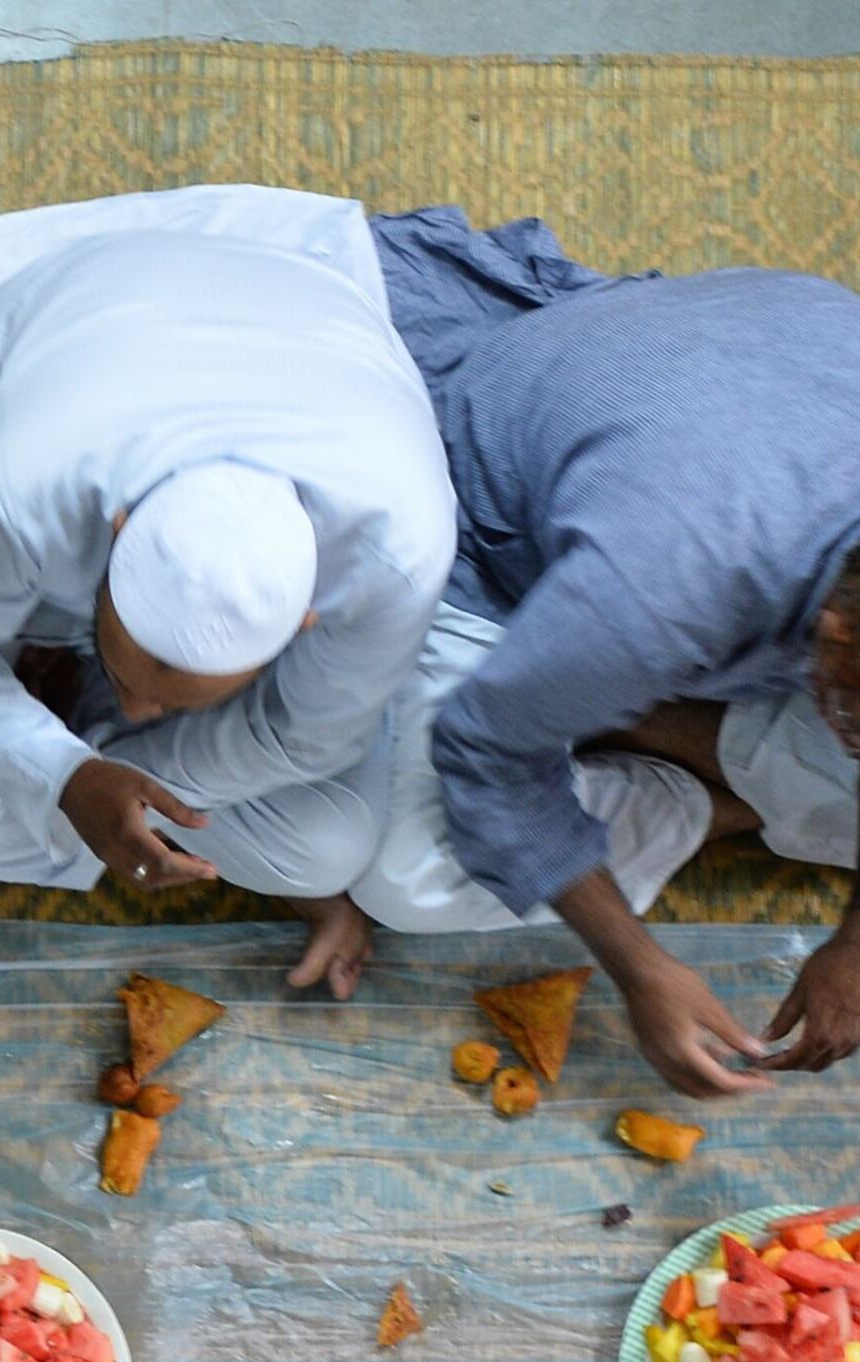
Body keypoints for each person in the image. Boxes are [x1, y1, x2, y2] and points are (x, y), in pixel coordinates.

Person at [0, 190, 457, 999]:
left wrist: (91, 773)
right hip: (100, 317)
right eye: (126, 676)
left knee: (326, 848)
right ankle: (105, 803)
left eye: (167, 697)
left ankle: (103, 803)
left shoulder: (396, 556)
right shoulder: (26, 488)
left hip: (309, 325)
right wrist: (63, 775)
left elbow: (306, 739)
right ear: (114, 534)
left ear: (303, 624)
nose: (139, 708)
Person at [327, 208, 860, 1100]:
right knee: (407, 879)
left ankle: (639, 721)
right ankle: (696, 786)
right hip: (498, 525)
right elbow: (484, 752)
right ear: (837, 638)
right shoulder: (672, 584)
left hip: (707, 403)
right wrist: (640, 969)